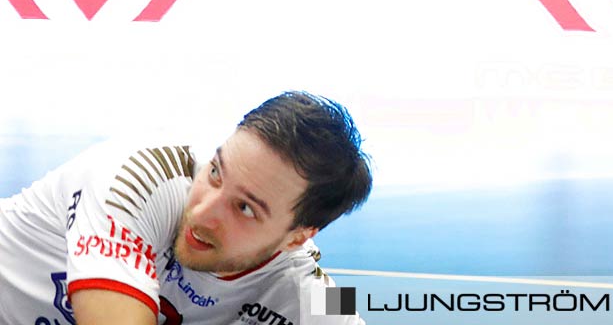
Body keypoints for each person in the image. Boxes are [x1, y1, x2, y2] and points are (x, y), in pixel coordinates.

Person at [0, 92, 370, 324]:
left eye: (244, 208)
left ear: (298, 237)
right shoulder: (137, 174)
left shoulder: (308, 283)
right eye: (215, 173)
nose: (204, 212)